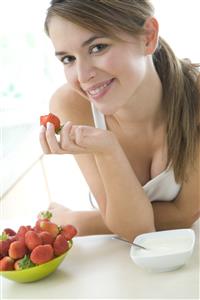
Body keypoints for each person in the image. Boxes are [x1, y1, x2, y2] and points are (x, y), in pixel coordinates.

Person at [40, 0, 200, 241]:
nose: (83, 76)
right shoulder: (71, 105)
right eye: (68, 59)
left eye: (97, 47)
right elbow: (133, 230)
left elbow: (183, 217)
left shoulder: (195, 95)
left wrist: (74, 221)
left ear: (148, 37)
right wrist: (107, 150)